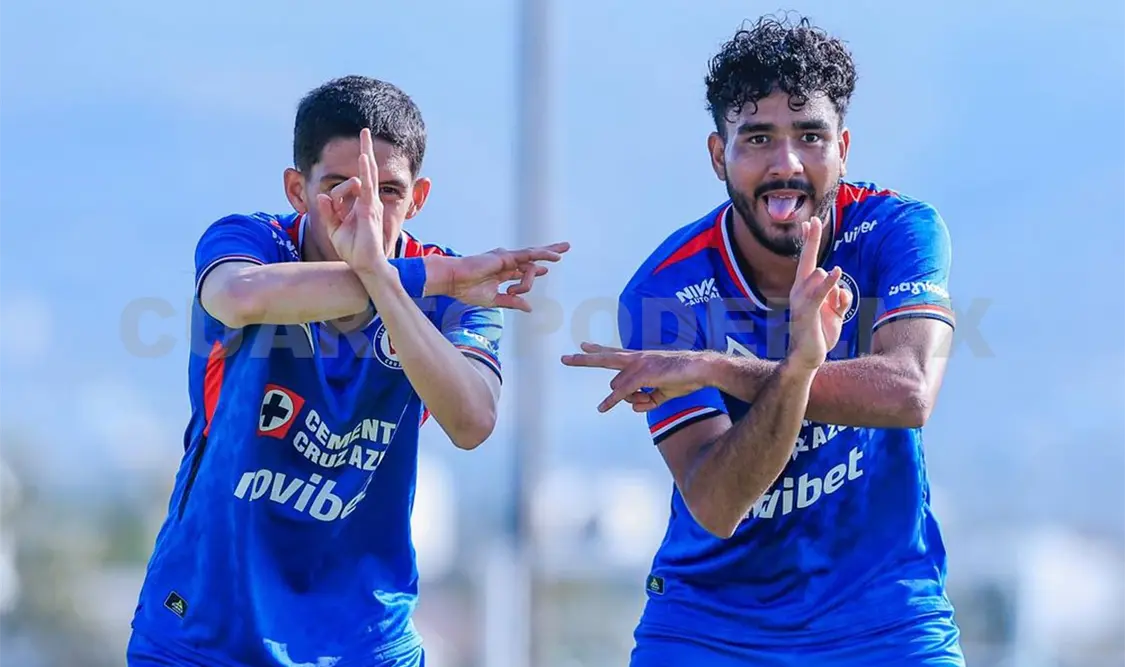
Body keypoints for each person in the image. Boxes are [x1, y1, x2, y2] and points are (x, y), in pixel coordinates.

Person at [562, 14, 963, 667]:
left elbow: (908, 391)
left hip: (886, 620)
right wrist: (798, 364)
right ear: (719, 155)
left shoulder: (897, 232)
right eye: (756, 139)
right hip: (709, 627)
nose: (786, 164)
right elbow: (718, 503)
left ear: (843, 148)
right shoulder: (665, 287)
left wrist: (721, 369)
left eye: (810, 136)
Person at [127, 75, 568, 667]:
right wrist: (408, 279)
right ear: (297, 190)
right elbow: (237, 298)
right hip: (204, 633)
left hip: (362, 644)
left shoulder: (455, 293)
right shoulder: (252, 242)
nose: (365, 212)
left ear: (418, 199)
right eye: (341, 188)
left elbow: (472, 421)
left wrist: (389, 283)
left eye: (389, 191)